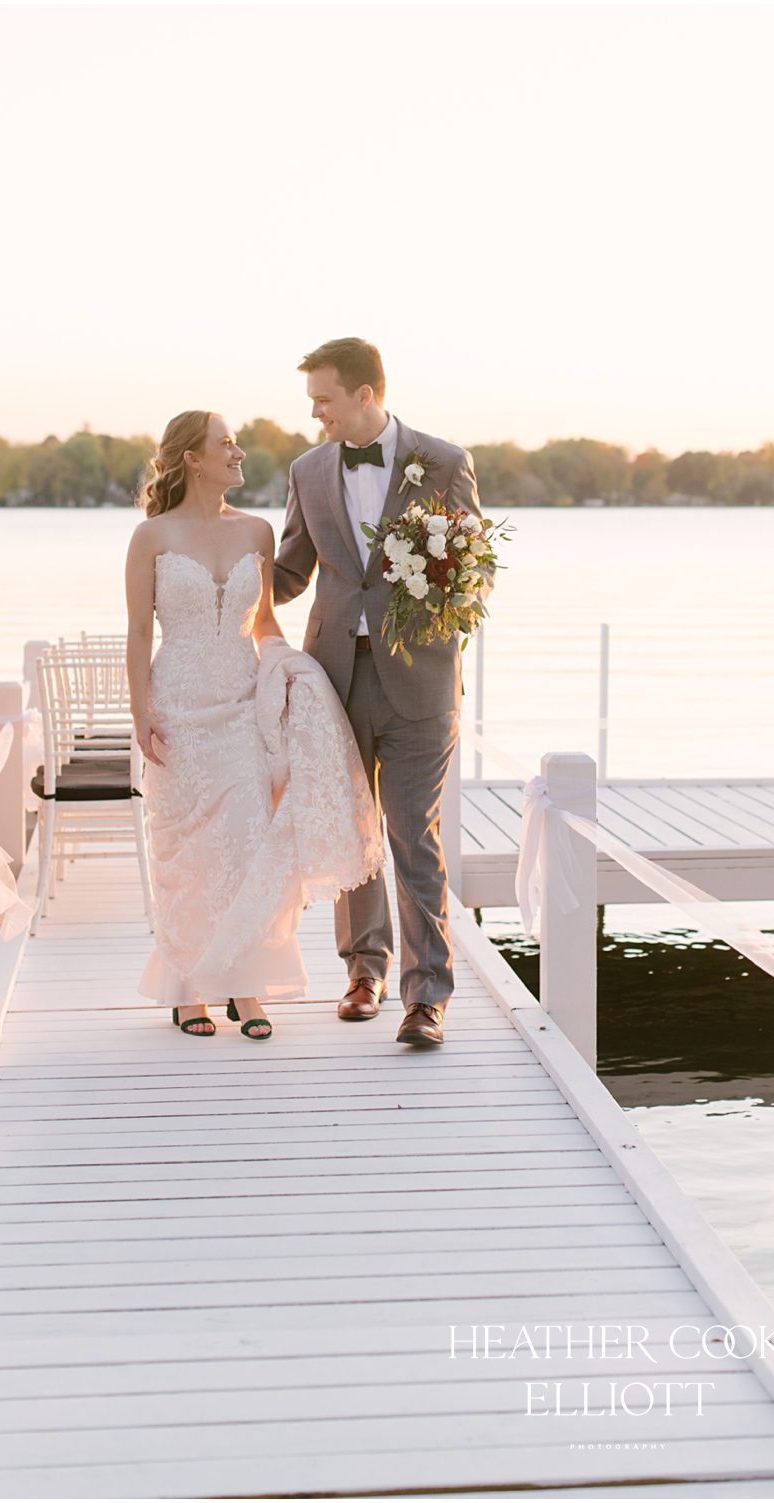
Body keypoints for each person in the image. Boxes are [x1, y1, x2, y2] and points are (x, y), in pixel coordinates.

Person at [125, 411, 380, 1039]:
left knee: (247, 842)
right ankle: (188, 988)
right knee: (185, 852)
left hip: (242, 706)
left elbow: (263, 622)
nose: (238, 452)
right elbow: (137, 632)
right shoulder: (150, 537)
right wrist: (140, 711)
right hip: (177, 708)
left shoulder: (258, 532)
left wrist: (290, 672)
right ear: (193, 458)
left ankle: (245, 987)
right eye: (227, 443)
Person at [273, 336, 491, 1047]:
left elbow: (479, 567)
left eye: (324, 400)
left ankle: (426, 996)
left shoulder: (445, 462)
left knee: (412, 833)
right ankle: (363, 971)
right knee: (351, 832)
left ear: (364, 394)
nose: (316, 414)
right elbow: (291, 570)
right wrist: (219, 571)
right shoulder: (307, 470)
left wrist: (451, 592)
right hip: (334, 677)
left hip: (421, 677)